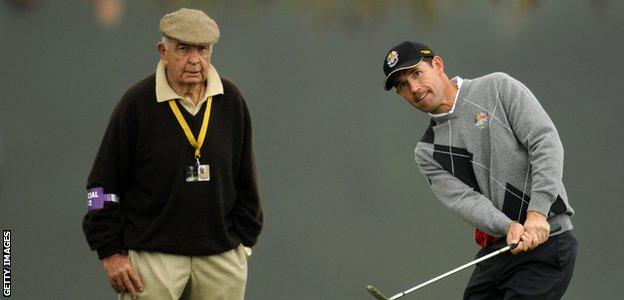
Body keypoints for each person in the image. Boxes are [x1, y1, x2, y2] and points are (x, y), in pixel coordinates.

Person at [82, 8, 263, 300]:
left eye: (203, 49)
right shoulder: (136, 105)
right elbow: (102, 188)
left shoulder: (231, 102)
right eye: (183, 49)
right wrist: (110, 253)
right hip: (152, 261)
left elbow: (247, 179)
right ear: (163, 51)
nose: (194, 59)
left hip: (222, 259)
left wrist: (242, 244)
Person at [381, 41, 577, 299]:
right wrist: (507, 226)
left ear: (437, 65)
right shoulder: (427, 151)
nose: (414, 88)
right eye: (402, 85)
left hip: (548, 239)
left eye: (416, 74)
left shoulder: (497, 88)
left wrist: (538, 212)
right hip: (499, 250)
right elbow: (466, 201)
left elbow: (545, 142)